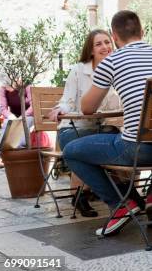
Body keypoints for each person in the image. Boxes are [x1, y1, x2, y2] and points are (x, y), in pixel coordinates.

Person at [62, 10, 152, 236]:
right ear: (142, 31)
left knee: (71, 151)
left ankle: (122, 203)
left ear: (114, 36)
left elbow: (87, 109)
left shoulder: (111, 61)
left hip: (140, 150)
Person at [49, 29, 121, 217]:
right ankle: (86, 194)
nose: (105, 47)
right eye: (99, 44)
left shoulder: (117, 70)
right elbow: (68, 99)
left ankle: (85, 194)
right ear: (90, 50)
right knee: (87, 146)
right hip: (72, 129)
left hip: (98, 129)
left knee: (113, 137)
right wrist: (60, 109)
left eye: (107, 42)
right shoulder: (79, 70)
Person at [0, 74, 34, 154]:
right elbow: (3, 108)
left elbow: (33, 106)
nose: (9, 89)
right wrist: (10, 116)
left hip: (29, 116)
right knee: (7, 122)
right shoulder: (3, 88)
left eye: (10, 85)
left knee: (24, 122)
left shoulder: (27, 86)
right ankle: (2, 152)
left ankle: (19, 150)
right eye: (6, 86)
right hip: (14, 116)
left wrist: (23, 116)